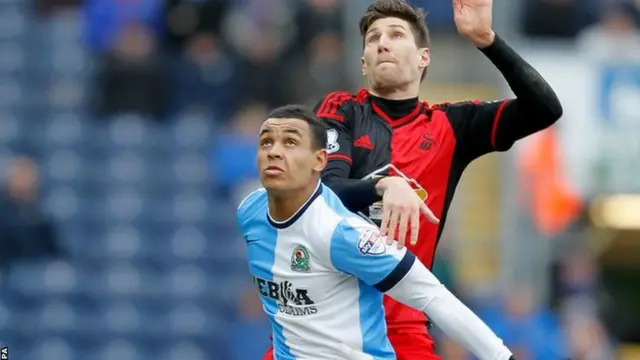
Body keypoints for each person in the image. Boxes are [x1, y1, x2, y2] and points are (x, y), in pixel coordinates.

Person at [283, 0, 563, 358]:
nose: (382, 42)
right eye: (373, 38)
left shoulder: (452, 125)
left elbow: (545, 108)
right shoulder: (341, 110)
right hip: (328, 320)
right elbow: (324, 195)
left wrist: (487, 40)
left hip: (402, 327)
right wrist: (384, 185)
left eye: (396, 34)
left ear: (423, 58)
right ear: (363, 63)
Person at [238, 104, 515, 360]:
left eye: (290, 142)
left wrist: (503, 356)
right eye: (266, 142)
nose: (274, 151)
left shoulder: (343, 233)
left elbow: (434, 298)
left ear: (320, 160)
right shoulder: (249, 211)